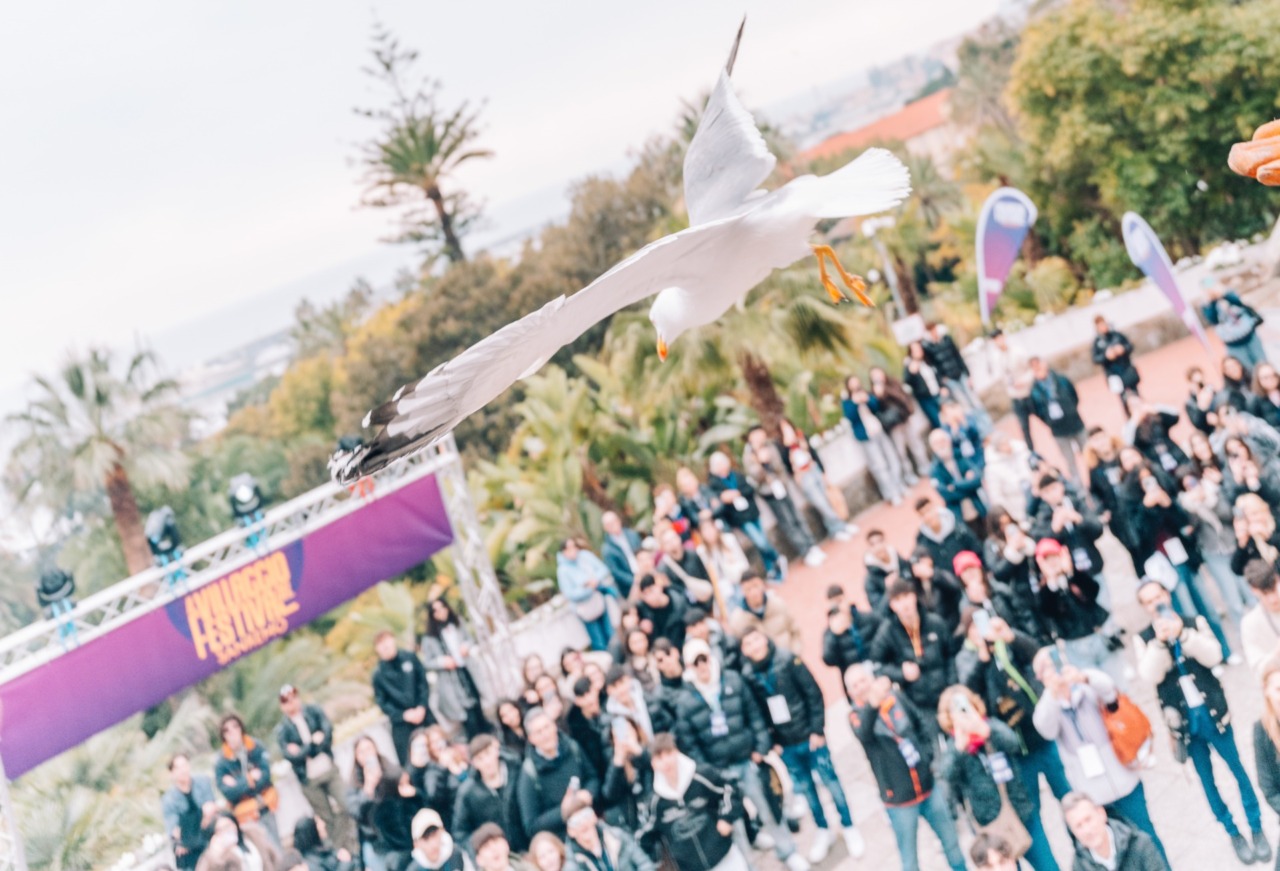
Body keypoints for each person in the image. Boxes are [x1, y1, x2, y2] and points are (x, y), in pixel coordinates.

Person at [1134, 580, 1268, 863]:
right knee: (1208, 782)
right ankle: (1232, 831)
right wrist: (1159, 643)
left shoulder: (1193, 621)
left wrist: (1183, 635)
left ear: (1167, 595)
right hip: (1184, 724)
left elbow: (1214, 654)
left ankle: (1255, 826)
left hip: (1212, 713)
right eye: (1148, 600)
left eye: (1158, 596)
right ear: (1144, 607)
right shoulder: (1144, 638)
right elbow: (1149, 676)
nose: (1155, 602)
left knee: (1238, 770)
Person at [675, 638, 808, 870]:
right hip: (720, 772)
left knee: (768, 808)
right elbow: (691, 744)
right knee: (734, 825)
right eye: (695, 663)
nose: (702, 666)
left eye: (703, 659)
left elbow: (754, 715)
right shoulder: (686, 702)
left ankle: (787, 851)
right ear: (689, 668)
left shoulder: (733, 681)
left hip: (747, 761)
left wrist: (759, 748)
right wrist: (710, 774)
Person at [739, 628, 864, 862]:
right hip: (786, 745)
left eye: (756, 638)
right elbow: (758, 712)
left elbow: (813, 692)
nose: (754, 646)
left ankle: (848, 825)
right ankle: (823, 828)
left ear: (764, 637)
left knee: (831, 783)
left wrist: (817, 729)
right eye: (748, 643)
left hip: (810, 736)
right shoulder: (750, 676)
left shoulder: (787, 659)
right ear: (743, 650)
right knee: (807, 791)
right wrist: (773, 742)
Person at [1031, 652, 1165, 858]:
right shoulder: (1050, 707)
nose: (1053, 671)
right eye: (1045, 669)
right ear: (1039, 677)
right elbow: (1044, 728)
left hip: (1124, 781)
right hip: (1095, 796)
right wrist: (1053, 693)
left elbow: (1109, 689)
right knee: (1117, 853)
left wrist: (1082, 677)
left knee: (1147, 837)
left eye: (1054, 664)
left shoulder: (1086, 688)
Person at [844, 664, 966, 871]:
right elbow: (865, 733)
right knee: (909, 860)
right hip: (899, 799)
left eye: (862, 680)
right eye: (854, 686)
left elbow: (920, 724)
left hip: (927, 786)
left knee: (952, 844)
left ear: (871, 678)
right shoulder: (856, 716)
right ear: (850, 692)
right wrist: (872, 704)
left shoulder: (896, 698)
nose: (861, 687)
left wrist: (928, 760)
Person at [958, 611, 1071, 822]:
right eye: (973, 628)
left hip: (1038, 730)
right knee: (1031, 807)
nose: (979, 632)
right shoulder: (966, 658)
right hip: (1013, 744)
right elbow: (968, 691)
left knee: (1066, 794)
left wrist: (1011, 636)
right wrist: (982, 660)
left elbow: (1034, 654)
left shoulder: (1004, 642)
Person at [936, 685, 1058, 871]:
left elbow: (1014, 743)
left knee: (1047, 866)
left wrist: (986, 732)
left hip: (1021, 812)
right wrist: (958, 748)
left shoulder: (990, 726)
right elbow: (945, 777)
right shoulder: (954, 747)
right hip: (991, 826)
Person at [641, 732, 748, 871]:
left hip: (724, 856)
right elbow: (646, 834)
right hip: (691, 867)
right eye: (659, 758)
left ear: (676, 752)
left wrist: (726, 817)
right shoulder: (654, 802)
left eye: (668, 753)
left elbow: (731, 789)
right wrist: (657, 860)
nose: (666, 761)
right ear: (653, 763)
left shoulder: (701, 775)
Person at [275, 685, 355, 854]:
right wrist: (312, 743)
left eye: (293, 697)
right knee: (327, 818)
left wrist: (303, 749)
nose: (291, 703)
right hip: (309, 779)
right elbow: (291, 756)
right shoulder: (283, 730)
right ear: (282, 705)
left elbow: (327, 734)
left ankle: (349, 845)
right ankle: (340, 851)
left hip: (328, 768)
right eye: (286, 701)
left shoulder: (314, 711)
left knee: (346, 803)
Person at [871, 579, 955, 718]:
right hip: (918, 704)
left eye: (906, 596)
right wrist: (901, 673)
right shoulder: (887, 633)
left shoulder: (935, 622)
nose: (904, 604)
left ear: (914, 596)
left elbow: (951, 654)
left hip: (946, 694)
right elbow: (876, 666)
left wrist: (952, 688)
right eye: (897, 600)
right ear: (892, 605)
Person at [742, 426, 824, 567]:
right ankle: (805, 551)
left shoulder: (769, 445)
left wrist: (771, 463)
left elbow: (779, 464)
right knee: (787, 522)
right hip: (769, 493)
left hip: (782, 487)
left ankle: (812, 544)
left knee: (797, 516)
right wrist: (760, 462)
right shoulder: (748, 455)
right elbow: (754, 477)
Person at [516, 706, 599, 841]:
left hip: (590, 827)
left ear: (554, 726)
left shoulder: (572, 748)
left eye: (547, 727)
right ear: (531, 739)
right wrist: (563, 812)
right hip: (563, 840)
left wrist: (588, 792)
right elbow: (531, 826)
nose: (545, 734)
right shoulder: (529, 775)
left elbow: (592, 777)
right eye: (539, 732)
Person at [707, 450, 784, 582]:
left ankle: (771, 570)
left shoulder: (737, 475)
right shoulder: (714, 485)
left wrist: (737, 493)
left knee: (761, 542)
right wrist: (724, 498)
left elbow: (750, 489)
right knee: (760, 541)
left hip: (752, 512)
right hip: (740, 518)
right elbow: (718, 505)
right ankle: (778, 558)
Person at [778, 416, 855, 540]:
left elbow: (813, 453)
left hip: (814, 469)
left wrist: (822, 470)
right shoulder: (782, 447)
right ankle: (837, 528)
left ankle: (839, 527)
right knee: (821, 504)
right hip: (803, 477)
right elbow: (786, 467)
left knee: (828, 499)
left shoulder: (801, 437)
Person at [420, 599, 487, 739]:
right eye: (436, 610)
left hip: (467, 669)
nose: (441, 612)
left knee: (477, 701)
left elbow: (470, 639)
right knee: (465, 713)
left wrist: (466, 646)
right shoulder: (429, 638)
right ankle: (475, 737)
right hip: (450, 678)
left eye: (442, 608)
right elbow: (427, 662)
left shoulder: (458, 624)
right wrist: (442, 662)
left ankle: (485, 731)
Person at [215, 713, 281, 847]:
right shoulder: (221, 763)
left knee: (276, 846)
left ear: (241, 728)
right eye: (226, 730)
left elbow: (266, 776)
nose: (232, 732)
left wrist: (237, 783)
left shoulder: (255, 746)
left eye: (235, 727)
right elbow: (228, 793)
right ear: (223, 736)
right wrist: (249, 780)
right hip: (246, 815)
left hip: (265, 805)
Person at [372, 630, 435, 767]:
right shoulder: (378, 675)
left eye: (387, 641)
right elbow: (382, 702)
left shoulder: (410, 658)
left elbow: (422, 683)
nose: (386, 646)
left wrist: (421, 706)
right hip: (402, 724)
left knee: (436, 745)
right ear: (377, 649)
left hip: (423, 713)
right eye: (381, 644)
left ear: (393, 640)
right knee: (410, 761)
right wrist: (403, 715)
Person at [452, 734, 524, 853]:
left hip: (526, 847)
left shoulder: (517, 772)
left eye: (488, 754)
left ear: (496, 751)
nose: (486, 762)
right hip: (495, 855)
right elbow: (460, 833)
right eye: (480, 758)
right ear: (474, 763)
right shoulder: (468, 792)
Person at [844, 374, 908, 506]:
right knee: (880, 466)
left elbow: (876, 406)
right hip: (866, 437)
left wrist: (867, 400)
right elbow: (850, 417)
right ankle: (891, 493)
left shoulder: (866, 393)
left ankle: (899, 485)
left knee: (892, 459)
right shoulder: (847, 402)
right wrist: (855, 404)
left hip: (879, 431)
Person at [1062, 792, 1166, 871]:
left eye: (1088, 819)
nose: (1087, 830)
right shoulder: (1079, 866)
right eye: (1078, 826)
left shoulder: (1140, 844)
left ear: (1101, 814)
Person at [1029, 356, 1088, 488]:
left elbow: (1074, 396)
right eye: (1034, 367)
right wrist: (1049, 422)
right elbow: (1037, 411)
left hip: (1075, 423)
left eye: (1038, 364)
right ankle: (1080, 488)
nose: (1038, 368)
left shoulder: (1061, 380)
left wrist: (1071, 410)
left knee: (1088, 454)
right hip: (1058, 431)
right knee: (1070, 461)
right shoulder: (1034, 391)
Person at [924, 321, 993, 434]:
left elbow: (958, 356)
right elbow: (934, 367)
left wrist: (967, 374)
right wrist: (942, 382)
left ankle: (988, 427)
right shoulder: (929, 347)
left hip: (960, 375)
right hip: (950, 380)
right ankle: (979, 431)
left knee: (975, 401)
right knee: (965, 406)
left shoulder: (946, 339)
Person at [560, 794, 655, 871]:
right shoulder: (572, 864)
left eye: (586, 815)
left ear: (594, 817)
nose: (583, 823)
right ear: (570, 831)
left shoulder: (617, 836)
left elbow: (644, 864)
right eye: (576, 821)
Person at [869, 365, 930, 481]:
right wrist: (877, 396)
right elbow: (875, 409)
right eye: (874, 376)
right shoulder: (873, 393)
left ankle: (925, 465)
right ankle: (908, 474)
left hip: (904, 418)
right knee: (901, 452)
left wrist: (885, 391)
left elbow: (902, 397)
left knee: (915, 443)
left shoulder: (893, 383)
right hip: (893, 425)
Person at [557, 538, 617, 652]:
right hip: (585, 610)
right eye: (568, 548)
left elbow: (602, 569)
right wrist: (587, 588)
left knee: (611, 633)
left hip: (599, 602)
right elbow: (570, 594)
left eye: (573, 546)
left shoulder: (585, 557)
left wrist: (594, 581)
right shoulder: (563, 570)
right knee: (599, 641)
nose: (572, 550)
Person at [163, 753, 217, 870]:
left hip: (211, 834)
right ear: (172, 772)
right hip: (190, 846)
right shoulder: (169, 800)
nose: (183, 770)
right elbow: (175, 830)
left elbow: (211, 808)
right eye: (178, 767)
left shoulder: (203, 781)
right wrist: (201, 817)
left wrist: (191, 825)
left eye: (185, 765)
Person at [928, 428, 986, 533]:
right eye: (937, 443)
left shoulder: (960, 456)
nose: (941, 445)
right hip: (959, 518)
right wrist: (967, 485)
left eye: (943, 441)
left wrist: (955, 486)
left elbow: (977, 480)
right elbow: (946, 494)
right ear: (932, 447)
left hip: (978, 509)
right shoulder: (934, 470)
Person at [728, 574, 802, 653]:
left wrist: (796, 654)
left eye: (756, 586)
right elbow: (739, 650)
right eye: (748, 589)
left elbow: (795, 631)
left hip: (788, 655)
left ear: (762, 585)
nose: (753, 592)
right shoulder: (737, 620)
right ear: (742, 591)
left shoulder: (778, 604)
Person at [1203, 281, 1268, 370]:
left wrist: (1223, 295)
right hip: (1233, 344)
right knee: (1247, 369)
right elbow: (1212, 319)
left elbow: (1238, 302)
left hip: (1250, 336)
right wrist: (1213, 301)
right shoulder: (1206, 305)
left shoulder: (1229, 293)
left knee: (1263, 363)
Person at [989, 328, 1037, 450]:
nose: (998, 341)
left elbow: (1031, 368)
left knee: (1048, 418)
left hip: (1029, 392)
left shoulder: (1017, 351)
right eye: (995, 340)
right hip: (1015, 396)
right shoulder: (996, 358)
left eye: (999, 338)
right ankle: (1032, 454)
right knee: (1024, 428)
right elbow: (999, 377)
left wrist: (1024, 381)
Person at [197, 811, 281, 871]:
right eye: (221, 829)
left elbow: (273, 858)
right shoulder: (214, 857)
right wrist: (217, 855)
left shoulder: (252, 837)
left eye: (229, 825)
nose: (227, 831)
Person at [1090, 317, 1140, 414]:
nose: (1103, 327)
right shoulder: (1097, 342)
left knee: (1136, 395)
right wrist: (1106, 356)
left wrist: (1123, 349)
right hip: (1114, 374)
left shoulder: (1117, 335)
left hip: (1127, 370)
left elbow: (1130, 345)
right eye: (1100, 326)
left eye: (1104, 324)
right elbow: (1095, 359)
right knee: (1124, 400)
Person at [404, 808, 473, 871]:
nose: (433, 844)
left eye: (434, 835)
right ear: (416, 844)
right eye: (426, 839)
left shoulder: (457, 854)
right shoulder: (414, 869)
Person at [1243, 559, 1280, 676]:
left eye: (1274, 590)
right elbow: (1258, 669)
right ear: (1253, 591)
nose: (1273, 599)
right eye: (1265, 594)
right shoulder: (1250, 623)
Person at [863, 527, 913, 612]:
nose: (878, 547)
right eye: (873, 544)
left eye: (880, 541)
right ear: (869, 549)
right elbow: (879, 612)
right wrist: (889, 590)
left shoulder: (901, 562)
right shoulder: (870, 580)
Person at [636, 573, 688, 647]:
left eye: (651, 591)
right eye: (645, 594)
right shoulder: (643, 611)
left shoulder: (679, 602)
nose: (650, 597)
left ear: (658, 587)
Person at [600, 511, 643, 599]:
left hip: (643, 571)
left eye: (614, 521)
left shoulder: (632, 534)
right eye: (609, 524)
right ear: (605, 528)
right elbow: (616, 572)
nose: (613, 525)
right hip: (630, 585)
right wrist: (634, 581)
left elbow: (642, 552)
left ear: (619, 521)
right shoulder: (607, 549)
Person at [904, 340, 946, 429]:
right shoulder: (909, 365)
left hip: (937, 393)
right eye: (915, 350)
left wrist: (942, 386)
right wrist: (911, 372)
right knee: (937, 421)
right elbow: (907, 383)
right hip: (926, 398)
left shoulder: (927, 360)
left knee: (947, 416)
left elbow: (937, 374)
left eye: (919, 349)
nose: (918, 351)